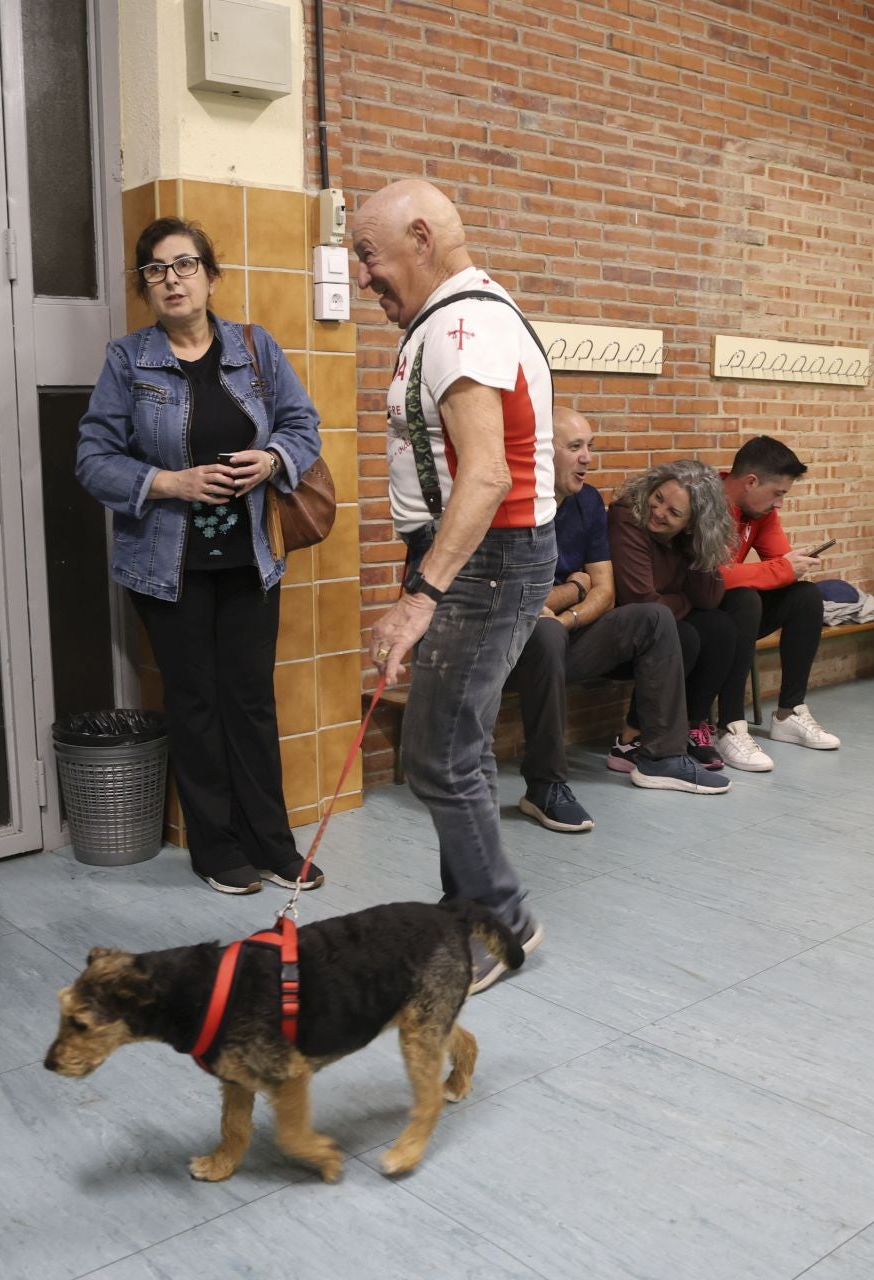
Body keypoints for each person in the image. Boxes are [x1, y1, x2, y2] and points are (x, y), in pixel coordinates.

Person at [76, 218, 325, 895]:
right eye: (156, 270)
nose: (171, 280)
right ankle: (216, 849)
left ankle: (273, 844)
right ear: (146, 286)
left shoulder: (256, 347)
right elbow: (92, 461)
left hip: (250, 559)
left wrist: (273, 458)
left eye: (184, 265)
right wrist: (167, 482)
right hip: (167, 567)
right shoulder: (128, 361)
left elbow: (305, 425)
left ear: (211, 277)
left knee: (250, 702)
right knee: (195, 703)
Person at [354, 179, 554, 995]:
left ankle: (502, 926)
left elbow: (485, 476)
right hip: (474, 558)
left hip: (484, 560)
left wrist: (420, 595)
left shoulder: (462, 327)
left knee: (437, 753)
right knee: (452, 751)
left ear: (423, 237)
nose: (364, 276)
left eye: (370, 254)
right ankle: (464, 916)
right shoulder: (456, 316)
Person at [502, 409, 726, 834]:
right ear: (540, 451)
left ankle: (659, 756)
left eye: (590, 446)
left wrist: (571, 606)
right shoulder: (509, 499)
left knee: (656, 618)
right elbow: (516, 599)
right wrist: (575, 589)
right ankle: (544, 787)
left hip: (564, 634)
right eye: (575, 447)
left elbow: (604, 589)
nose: (588, 458)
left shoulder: (587, 500)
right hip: (503, 646)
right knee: (544, 630)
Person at [710, 435, 841, 771]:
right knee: (745, 599)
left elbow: (779, 566)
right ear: (751, 482)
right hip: (700, 612)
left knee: (807, 596)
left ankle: (788, 713)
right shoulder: (710, 504)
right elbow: (715, 576)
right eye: (778, 493)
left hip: (734, 610)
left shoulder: (761, 511)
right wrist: (782, 567)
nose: (780, 503)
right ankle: (729, 727)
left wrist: (793, 564)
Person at [607, 460, 742, 766]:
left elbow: (708, 598)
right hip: (621, 631)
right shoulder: (628, 517)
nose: (659, 512)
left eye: (674, 512)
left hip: (660, 619)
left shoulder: (690, 536)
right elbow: (641, 601)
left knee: (720, 626)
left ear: (692, 523)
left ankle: (690, 727)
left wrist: (700, 545)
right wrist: (684, 600)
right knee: (681, 633)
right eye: (659, 498)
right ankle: (630, 739)